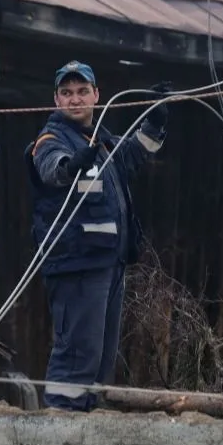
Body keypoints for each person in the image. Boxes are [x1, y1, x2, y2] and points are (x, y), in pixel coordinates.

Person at [23, 60, 169, 412]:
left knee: (101, 358)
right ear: (56, 100)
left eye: (82, 91)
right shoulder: (51, 138)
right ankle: (60, 425)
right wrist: (72, 164)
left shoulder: (102, 140)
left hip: (108, 263)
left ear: (96, 95)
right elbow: (52, 168)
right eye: (67, 93)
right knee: (77, 354)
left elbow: (135, 153)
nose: (75, 99)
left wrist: (156, 121)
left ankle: (86, 424)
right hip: (76, 265)